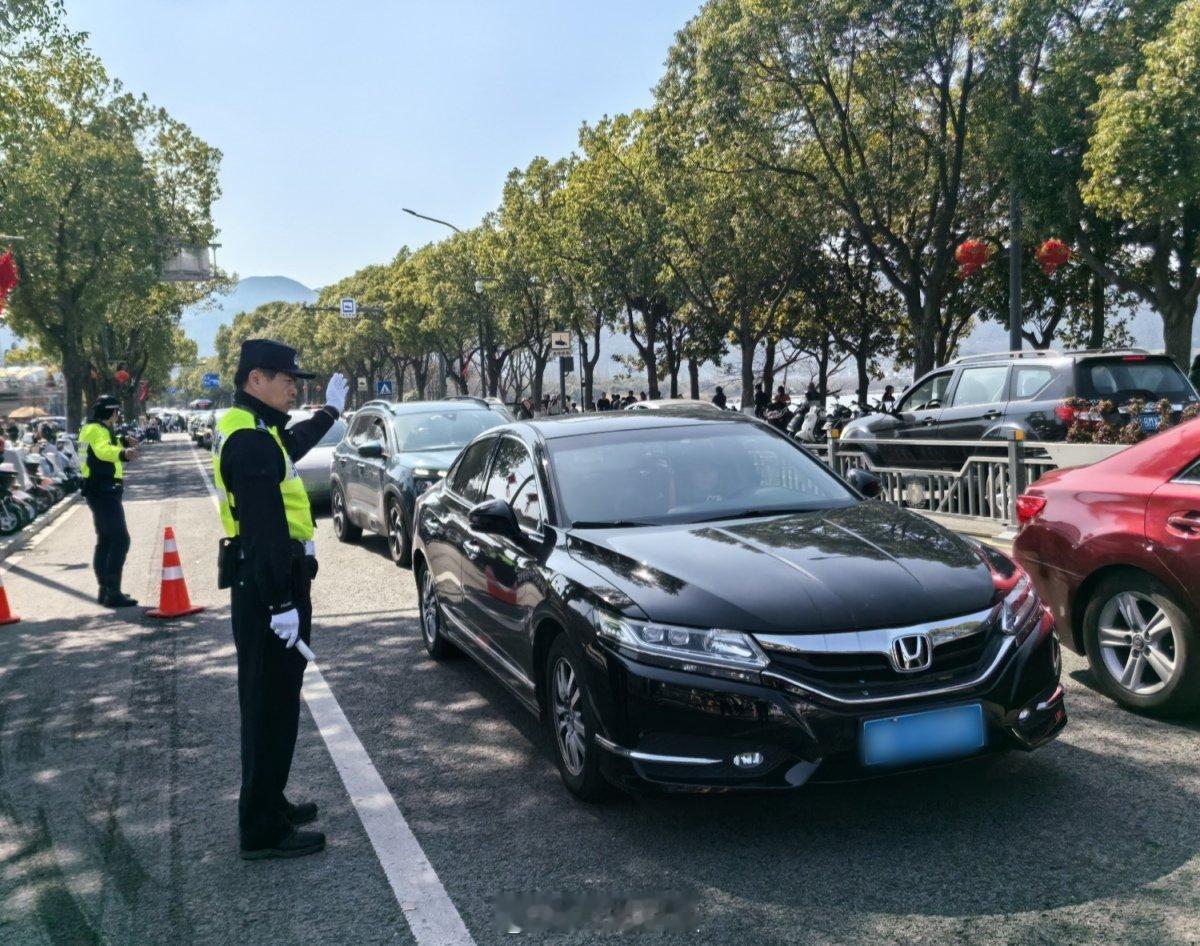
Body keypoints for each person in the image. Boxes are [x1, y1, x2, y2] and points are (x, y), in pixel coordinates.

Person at [214, 338, 348, 861]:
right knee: (269, 707)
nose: (295, 388)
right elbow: (264, 530)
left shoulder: (256, 430)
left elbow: (290, 448)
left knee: (276, 700)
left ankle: (270, 802)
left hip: (270, 582)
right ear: (256, 380)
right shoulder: (249, 440)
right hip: (268, 585)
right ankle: (262, 829)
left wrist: (329, 413)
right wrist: (279, 604)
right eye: (287, 379)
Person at [79, 395, 139, 607]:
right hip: (103, 490)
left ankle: (105, 590)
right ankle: (112, 593)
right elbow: (103, 450)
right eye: (117, 411)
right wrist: (123, 453)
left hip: (97, 489)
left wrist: (123, 440)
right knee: (120, 540)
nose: (118, 415)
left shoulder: (94, 428)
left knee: (106, 540)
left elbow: (102, 446)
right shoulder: (98, 430)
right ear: (111, 412)